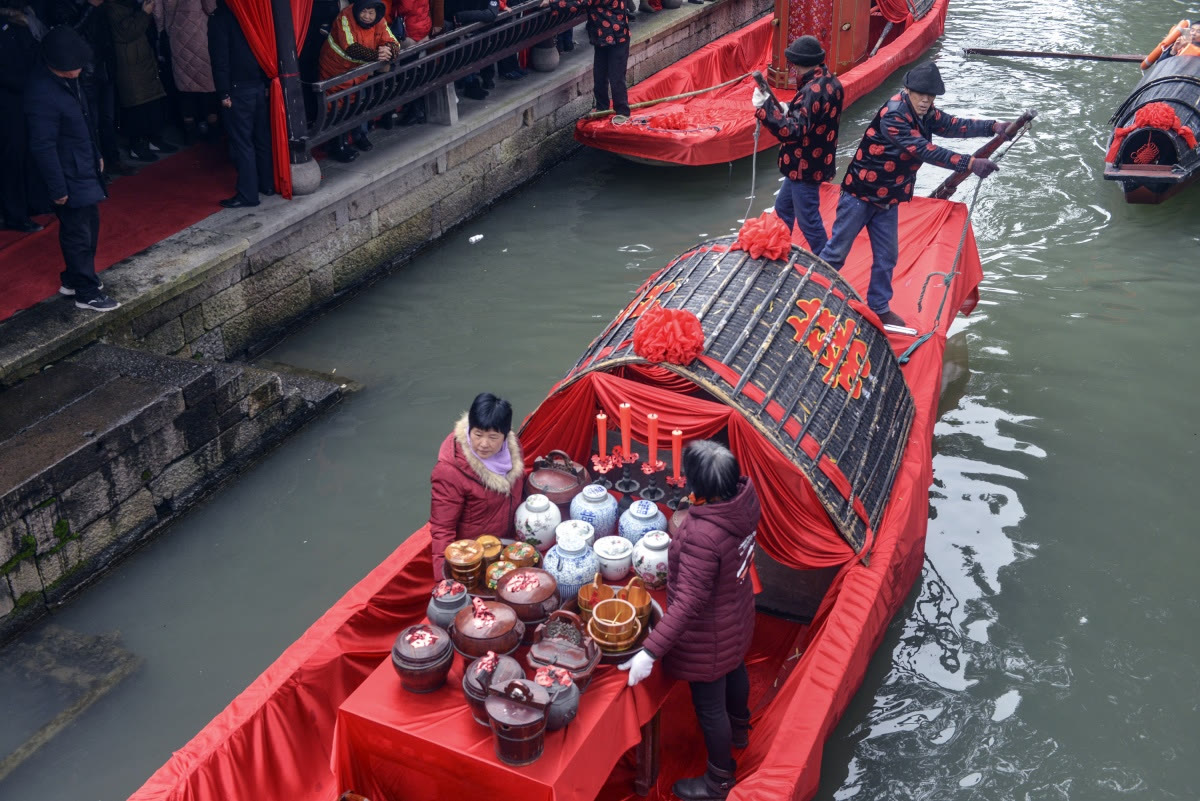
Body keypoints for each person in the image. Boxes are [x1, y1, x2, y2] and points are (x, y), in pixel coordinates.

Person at [817, 61, 1009, 328]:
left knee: (887, 255)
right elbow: (925, 150)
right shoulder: (894, 115)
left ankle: (879, 306)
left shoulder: (926, 111)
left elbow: (953, 125)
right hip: (861, 193)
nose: (926, 101)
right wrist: (970, 163)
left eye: (930, 97)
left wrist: (993, 126)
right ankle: (812, 292)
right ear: (908, 90)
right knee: (837, 250)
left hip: (889, 196)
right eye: (921, 95)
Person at [620, 439, 760, 801]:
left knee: (710, 707)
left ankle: (718, 781)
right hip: (737, 612)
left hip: (709, 632)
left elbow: (688, 604)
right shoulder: (744, 499)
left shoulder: (702, 535)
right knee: (736, 667)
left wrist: (649, 653)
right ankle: (741, 728)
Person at [26, 26, 121, 311]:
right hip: (67, 173)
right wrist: (58, 189)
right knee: (77, 232)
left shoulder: (70, 81)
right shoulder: (41, 93)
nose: (80, 68)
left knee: (88, 225)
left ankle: (72, 278)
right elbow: (42, 146)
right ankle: (86, 291)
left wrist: (96, 154)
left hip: (83, 163)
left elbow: (83, 122)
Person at [751, 34, 844, 256]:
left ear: (796, 64)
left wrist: (765, 109)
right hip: (812, 162)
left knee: (808, 221)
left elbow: (792, 132)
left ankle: (826, 263)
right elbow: (808, 120)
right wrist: (788, 111)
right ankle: (778, 250)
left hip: (804, 166)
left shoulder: (811, 91)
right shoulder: (832, 81)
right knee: (783, 211)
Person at [428, 393, 525, 580]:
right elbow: (442, 529)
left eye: (493, 437)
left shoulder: (513, 449)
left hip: (506, 546)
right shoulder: (449, 471)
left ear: (505, 436)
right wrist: (443, 581)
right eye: (478, 434)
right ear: (469, 429)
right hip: (474, 557)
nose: (483, 444)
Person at [207, 0, 272, 207]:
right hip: (258, 84)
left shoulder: (220, 19)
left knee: (242, 143)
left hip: (237, 88)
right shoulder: (255, 14)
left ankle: (248, 194)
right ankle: (267, 183)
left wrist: (223, 92)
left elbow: (220, 60)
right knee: (261, 138)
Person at [318, 0, 401, 160]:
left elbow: (393, 41)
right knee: (336, 105)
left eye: (371, 13)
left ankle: (358, 136)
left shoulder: (380, 21)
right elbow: (350, 46)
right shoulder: (345, 17)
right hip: (335, 70)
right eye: (364, 12)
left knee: (356, 101)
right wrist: (377, 55)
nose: (367, 17)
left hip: (357, 71)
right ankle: (338, 145)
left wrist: (389, 51)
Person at [106, 0, 177, 161]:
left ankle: (154, 139)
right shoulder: (111, 8)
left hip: (142, 58)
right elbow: (126, 32)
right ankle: (137, 145)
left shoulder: (129, 5)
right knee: (136, 106)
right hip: (129, 64)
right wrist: (144, 14)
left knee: (152, 101)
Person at [543, 0, 630, 117]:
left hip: (618, 37)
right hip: (601, 38)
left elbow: (580, 3)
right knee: (599, 75)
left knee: (617, 76)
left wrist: (551, 2)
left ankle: (622, 112)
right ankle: (601, 108)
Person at [1, 0, 43, 232]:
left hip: (24, 97)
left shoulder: (22, 23)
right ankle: (15, 214)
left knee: (27, 151)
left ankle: (30, 204)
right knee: (12, 157)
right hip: (8, 102)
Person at [153, 0, 220, 142]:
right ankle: (213, 132)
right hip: (200, 37)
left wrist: (162, 30)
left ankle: (190, 134)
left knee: (184, 88)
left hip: (176, 38)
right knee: (207, 87)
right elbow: (210, 7)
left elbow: (157, 13)